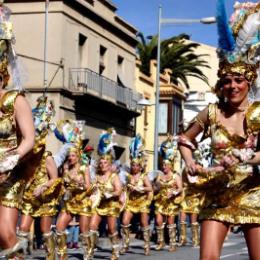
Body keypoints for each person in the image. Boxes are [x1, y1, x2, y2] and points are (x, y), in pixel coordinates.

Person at [178, 1, 260, 259]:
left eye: (238, 80)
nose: (232, 86)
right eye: (226, 81)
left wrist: (244, 156)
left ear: (248, 82)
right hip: (217, 192)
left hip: (252, 190)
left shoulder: (259, 112)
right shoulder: (211, 113)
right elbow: (184, 139)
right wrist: (190, 161)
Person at [0, 2, 35, 258]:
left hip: (8, 174)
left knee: (4, 233)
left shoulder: (15, 100)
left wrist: (6, 163)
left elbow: (29, 140)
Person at [18, 96, 62, 260]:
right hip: (29, 198)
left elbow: (55, 179)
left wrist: (42, 187)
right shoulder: (25, 158)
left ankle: (51, 256)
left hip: (44, 199)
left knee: (45, 232)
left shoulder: (47, 158)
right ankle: (18, 257)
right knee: (22, 229)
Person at [55, 120, 92, 260]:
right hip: (69, 202)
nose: (70, 158)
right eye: (69, 156)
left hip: (83, 201)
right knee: (59, 227)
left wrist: (80, 184)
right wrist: (63, 190)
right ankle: (62, 254)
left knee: (83, 231)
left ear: (78, 156)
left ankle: (87, 252)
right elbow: (63, 185)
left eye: (73, 156)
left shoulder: (84, 168)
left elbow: (88, 187)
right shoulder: (65, 168)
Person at [87, 128, 122, 260]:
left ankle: (115, 251)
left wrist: (111, 194)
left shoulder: (114, 176)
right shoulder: (96, 176)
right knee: (92, 227)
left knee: (111, 229)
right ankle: (90, 251)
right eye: (100, 163)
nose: (102, 165)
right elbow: (91, 189)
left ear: (109, 164)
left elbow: (118, 190)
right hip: (99, 205)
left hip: (111, 205)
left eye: (105, 162)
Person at [120, 134, 153, 256]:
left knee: (144, 223)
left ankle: (146, 245)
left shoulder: (143, 176)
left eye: (136, 165)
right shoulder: (128, 176)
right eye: (132, 165)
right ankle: (125, 244)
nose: (134, 167)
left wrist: (141, 188)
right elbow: (124, 188)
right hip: (131, 202)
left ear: (140, 167)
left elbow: (150, 188)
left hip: (142, 202)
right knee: (124, 221)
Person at [154, 136, 182, 252]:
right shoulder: (160, 175)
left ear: (170, 165)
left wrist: (174, 192)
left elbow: (180, 188)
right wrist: (155, 187)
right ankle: (160, 242)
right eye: (162, 165)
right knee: (158, 221)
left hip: (171, 202)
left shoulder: (175, 176)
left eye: (165, 165)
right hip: (160, 201)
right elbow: (155, 187)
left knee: (170, 222)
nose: (163, 167)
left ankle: (172, 243)